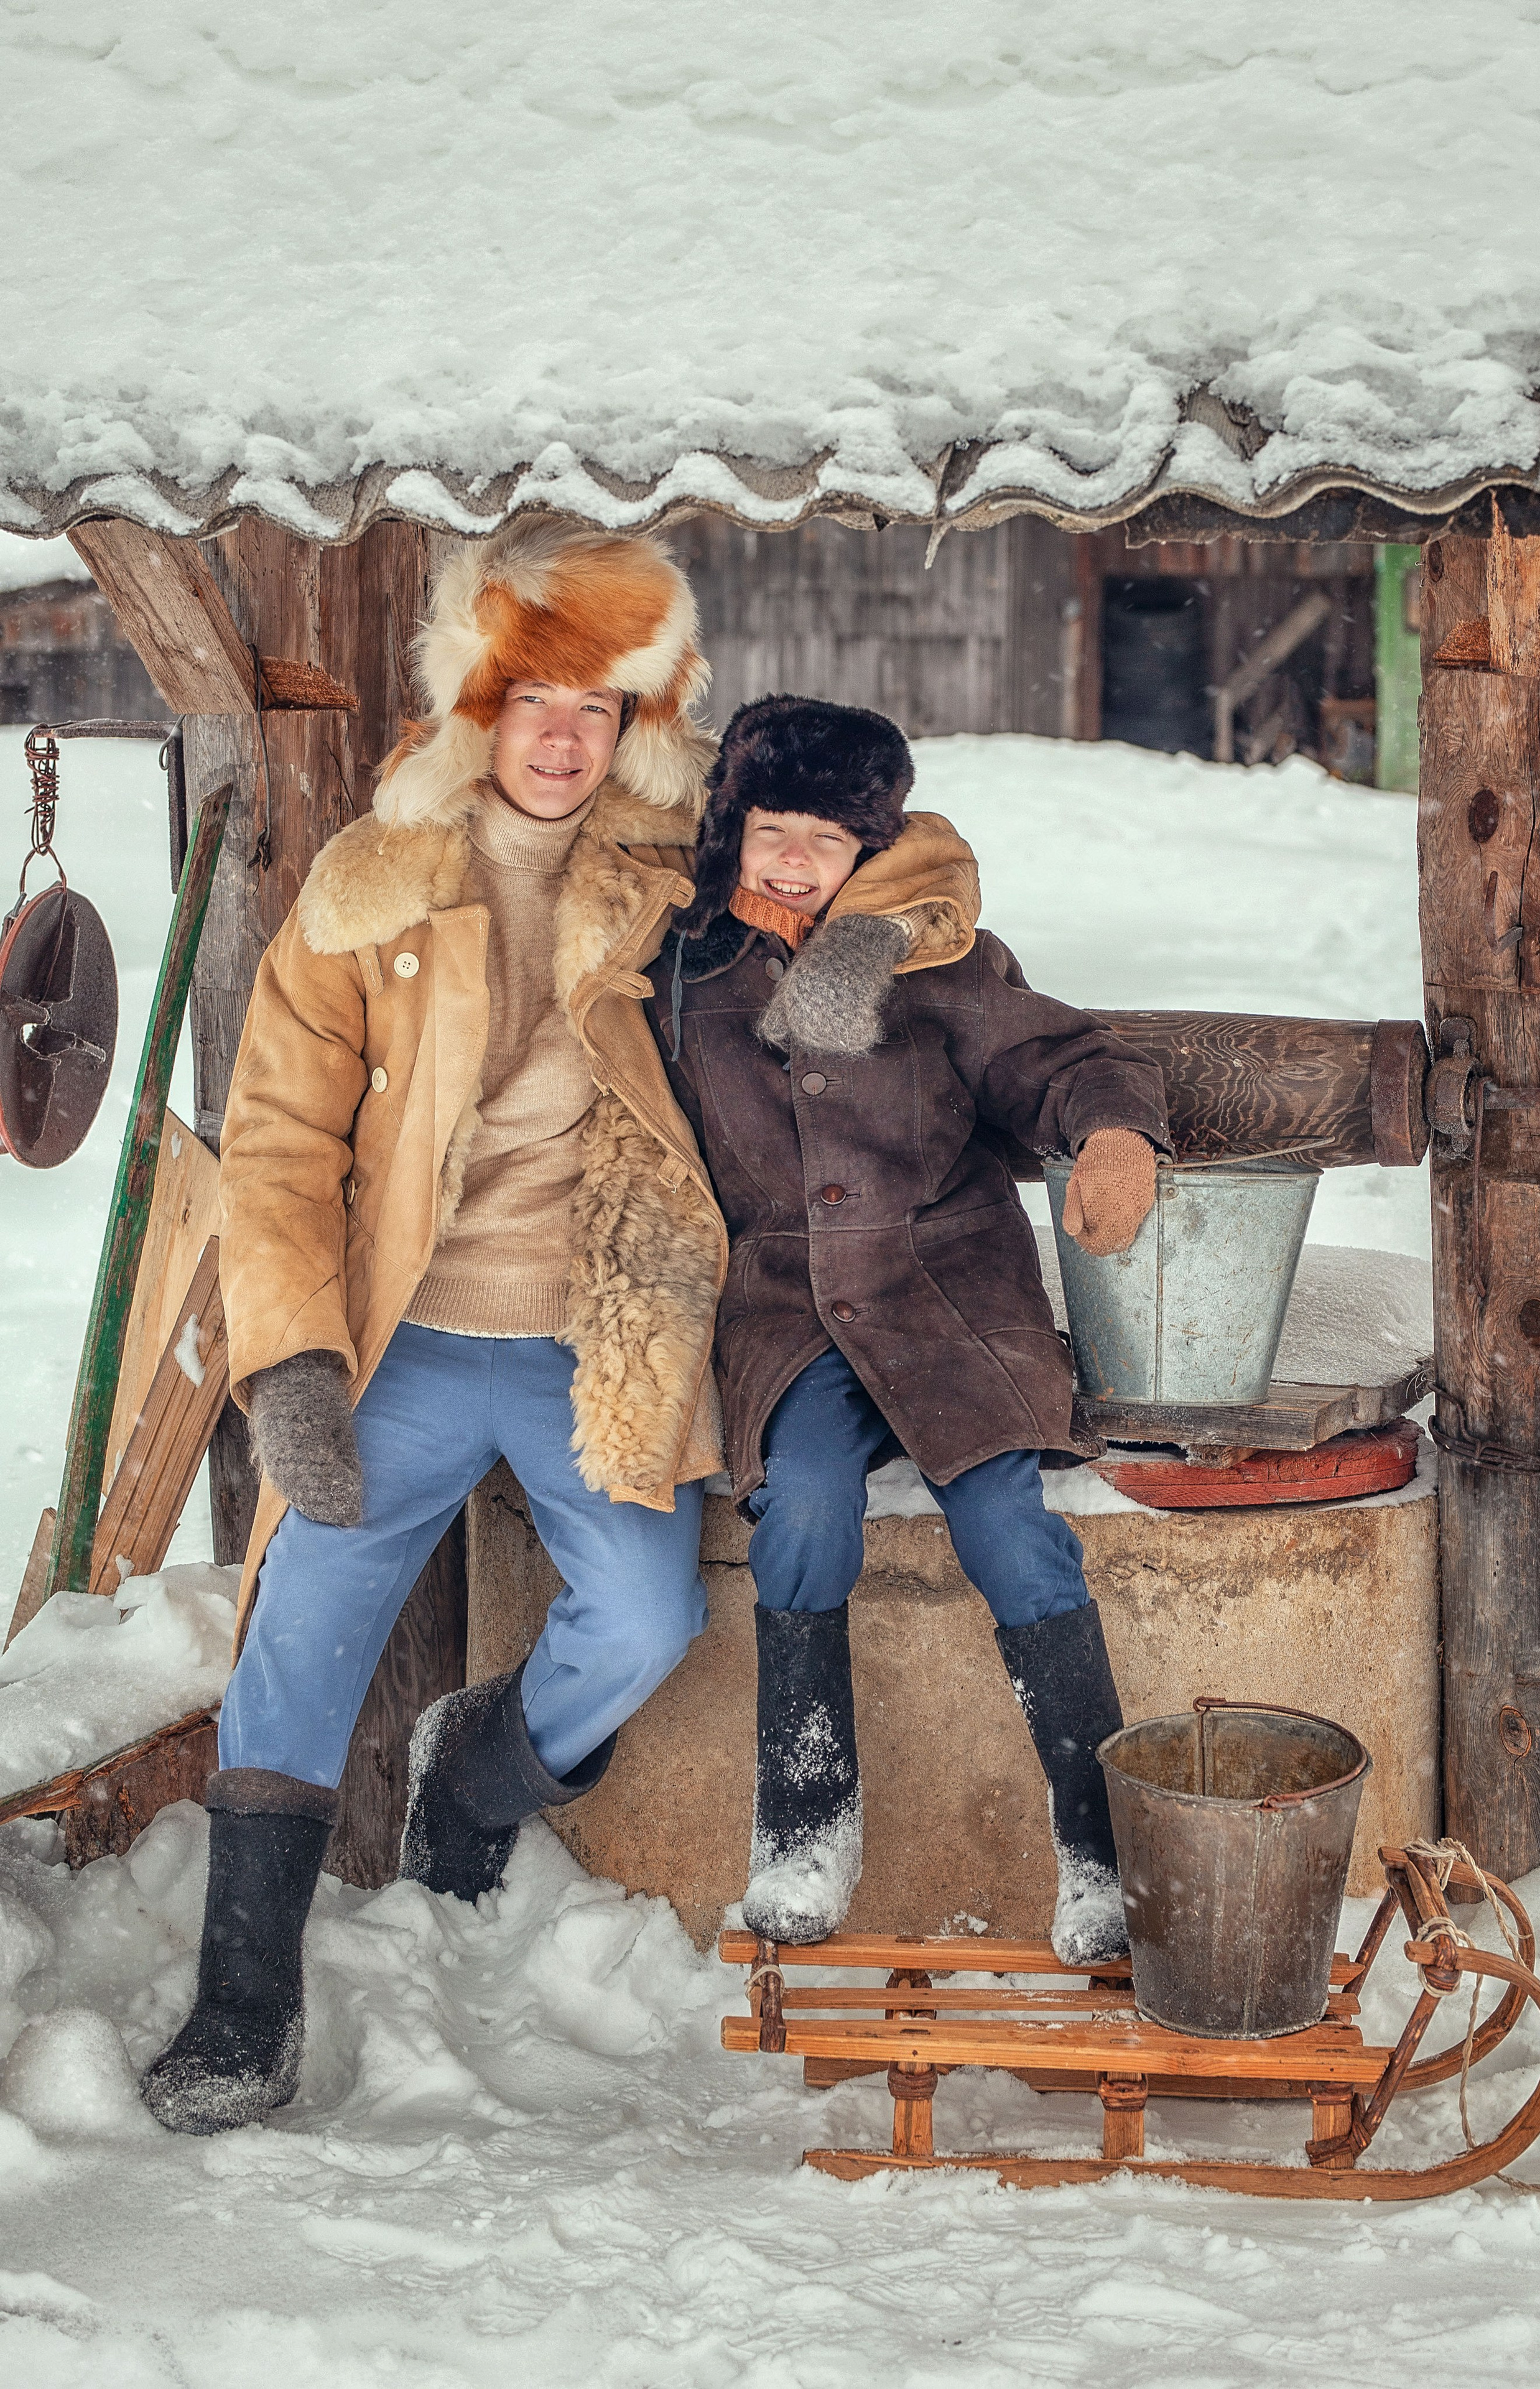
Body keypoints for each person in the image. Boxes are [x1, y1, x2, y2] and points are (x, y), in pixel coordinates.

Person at [140, 526, 976, 2138]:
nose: (562, 735)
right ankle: (244, 2007)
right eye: (533, 694)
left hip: (604, 1343)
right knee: (301, 1629)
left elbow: (921, 857)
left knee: (650, 1621)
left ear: (642, 719)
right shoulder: (372, 882)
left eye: (599, 703)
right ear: (477, 698)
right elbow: (275, 1144)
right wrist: (295, 1362)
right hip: (404, 1342)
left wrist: (856, 941)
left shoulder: (684, 867)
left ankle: (476, 1775)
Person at [646, 694, 1171, 1965]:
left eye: (823, 843)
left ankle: (1100, 1850)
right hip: (784, 1306)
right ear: (731, 826)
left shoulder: (920, 957)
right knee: (805, 1516)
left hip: (946, 1294)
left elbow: (1055, 1061)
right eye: (771, 830)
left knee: (1010, 1533)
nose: (791, 862)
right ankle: (804, 1819)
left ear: (865, 853)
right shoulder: (682, 967)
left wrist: (1107, 1133)